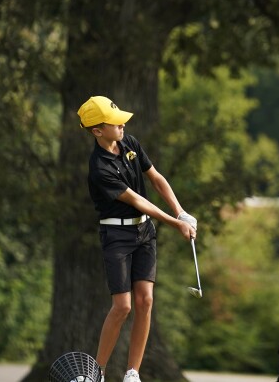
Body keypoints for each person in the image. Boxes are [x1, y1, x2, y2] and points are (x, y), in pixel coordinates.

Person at [77, 96, 198, 382]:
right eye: (114, 122)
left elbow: (156, 178)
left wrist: (180, 212)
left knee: (145, 301)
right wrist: (173, 223)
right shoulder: (99, 168)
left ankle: (133, 372)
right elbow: (138, 201)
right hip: (117, 235)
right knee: (123, 306)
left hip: (144, 233)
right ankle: (98, 372)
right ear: (97, 131)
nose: (121, 125)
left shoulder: (129, 143)